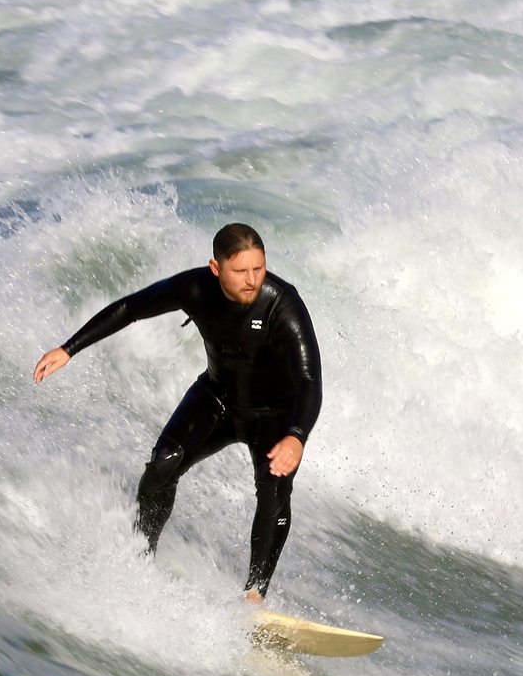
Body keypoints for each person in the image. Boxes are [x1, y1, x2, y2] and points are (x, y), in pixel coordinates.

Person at [33, 223, 322, 603]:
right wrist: (69, 348)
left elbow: (308, 379)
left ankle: (255, 594)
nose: (252, 280)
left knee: (273, 492)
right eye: (241, 271)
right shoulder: (196, 288)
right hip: (218, 398)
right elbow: (130, 308)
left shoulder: (282, 304)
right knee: (162, 465)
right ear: (216, 268)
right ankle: (140, 557)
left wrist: (296, 435)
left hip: (276, 416)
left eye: (259, 268)